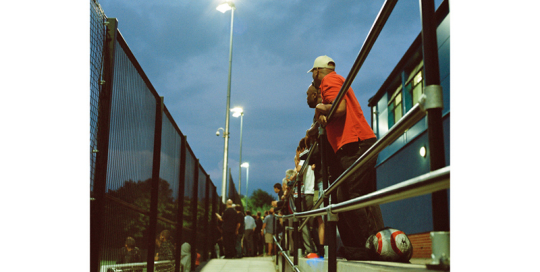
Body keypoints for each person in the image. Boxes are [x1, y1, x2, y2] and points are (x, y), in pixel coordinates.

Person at [309, 55, 385, 259]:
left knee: (351, 196)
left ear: (316, 72)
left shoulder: (329, 80)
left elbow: (339, 109)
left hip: (356, 144)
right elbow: (334, 109)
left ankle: (368, 247)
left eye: (313, 74)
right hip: (354, 145)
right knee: (342, 198)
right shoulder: (335, 81)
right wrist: (322, 115)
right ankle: (357, 248)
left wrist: (320, 108)